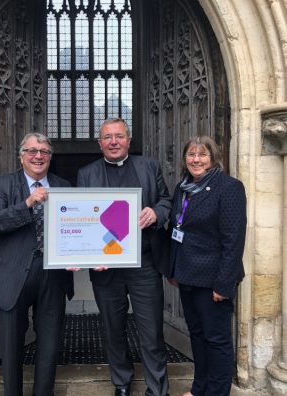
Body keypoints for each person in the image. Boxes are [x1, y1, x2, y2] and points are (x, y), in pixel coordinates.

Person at [77, 118, 171, 396]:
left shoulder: (149, 166)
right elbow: (82, 218)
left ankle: (157, 388)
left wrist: (156, 212)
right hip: (106, 267)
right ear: (99, 143)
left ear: (129, 140)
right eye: (107, 137)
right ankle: (121, 381)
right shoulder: (86, 174)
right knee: (112, 328)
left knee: (151, 329)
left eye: (119, 136)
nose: (113, 142)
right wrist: (89, 253)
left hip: (143, 262)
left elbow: (166, 200)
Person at [0, 133, 74, 396]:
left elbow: (76, 229)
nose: (38, 156)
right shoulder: (2, 185)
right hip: (11, 274)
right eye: (32, 151)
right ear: (21, 155)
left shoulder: (64, 186)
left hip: (52, 275)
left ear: (50, 156)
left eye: (44, 151)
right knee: (11, 346)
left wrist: (77, 255)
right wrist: (27, 203)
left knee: (49, 344)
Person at [168, 136, 247, 396]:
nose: (196, 160)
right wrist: (173, 269)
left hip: (213, 280)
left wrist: (223, 284)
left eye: (202, 155)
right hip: (188, 277)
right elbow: (176, 228)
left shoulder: (229, 187)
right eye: (191, 154)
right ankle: (199, 388)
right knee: (198, 337)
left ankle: (216, 392)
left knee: (217, 341)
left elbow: (233, 241)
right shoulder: (183, 187)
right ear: (185, 159)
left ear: (213, 159)